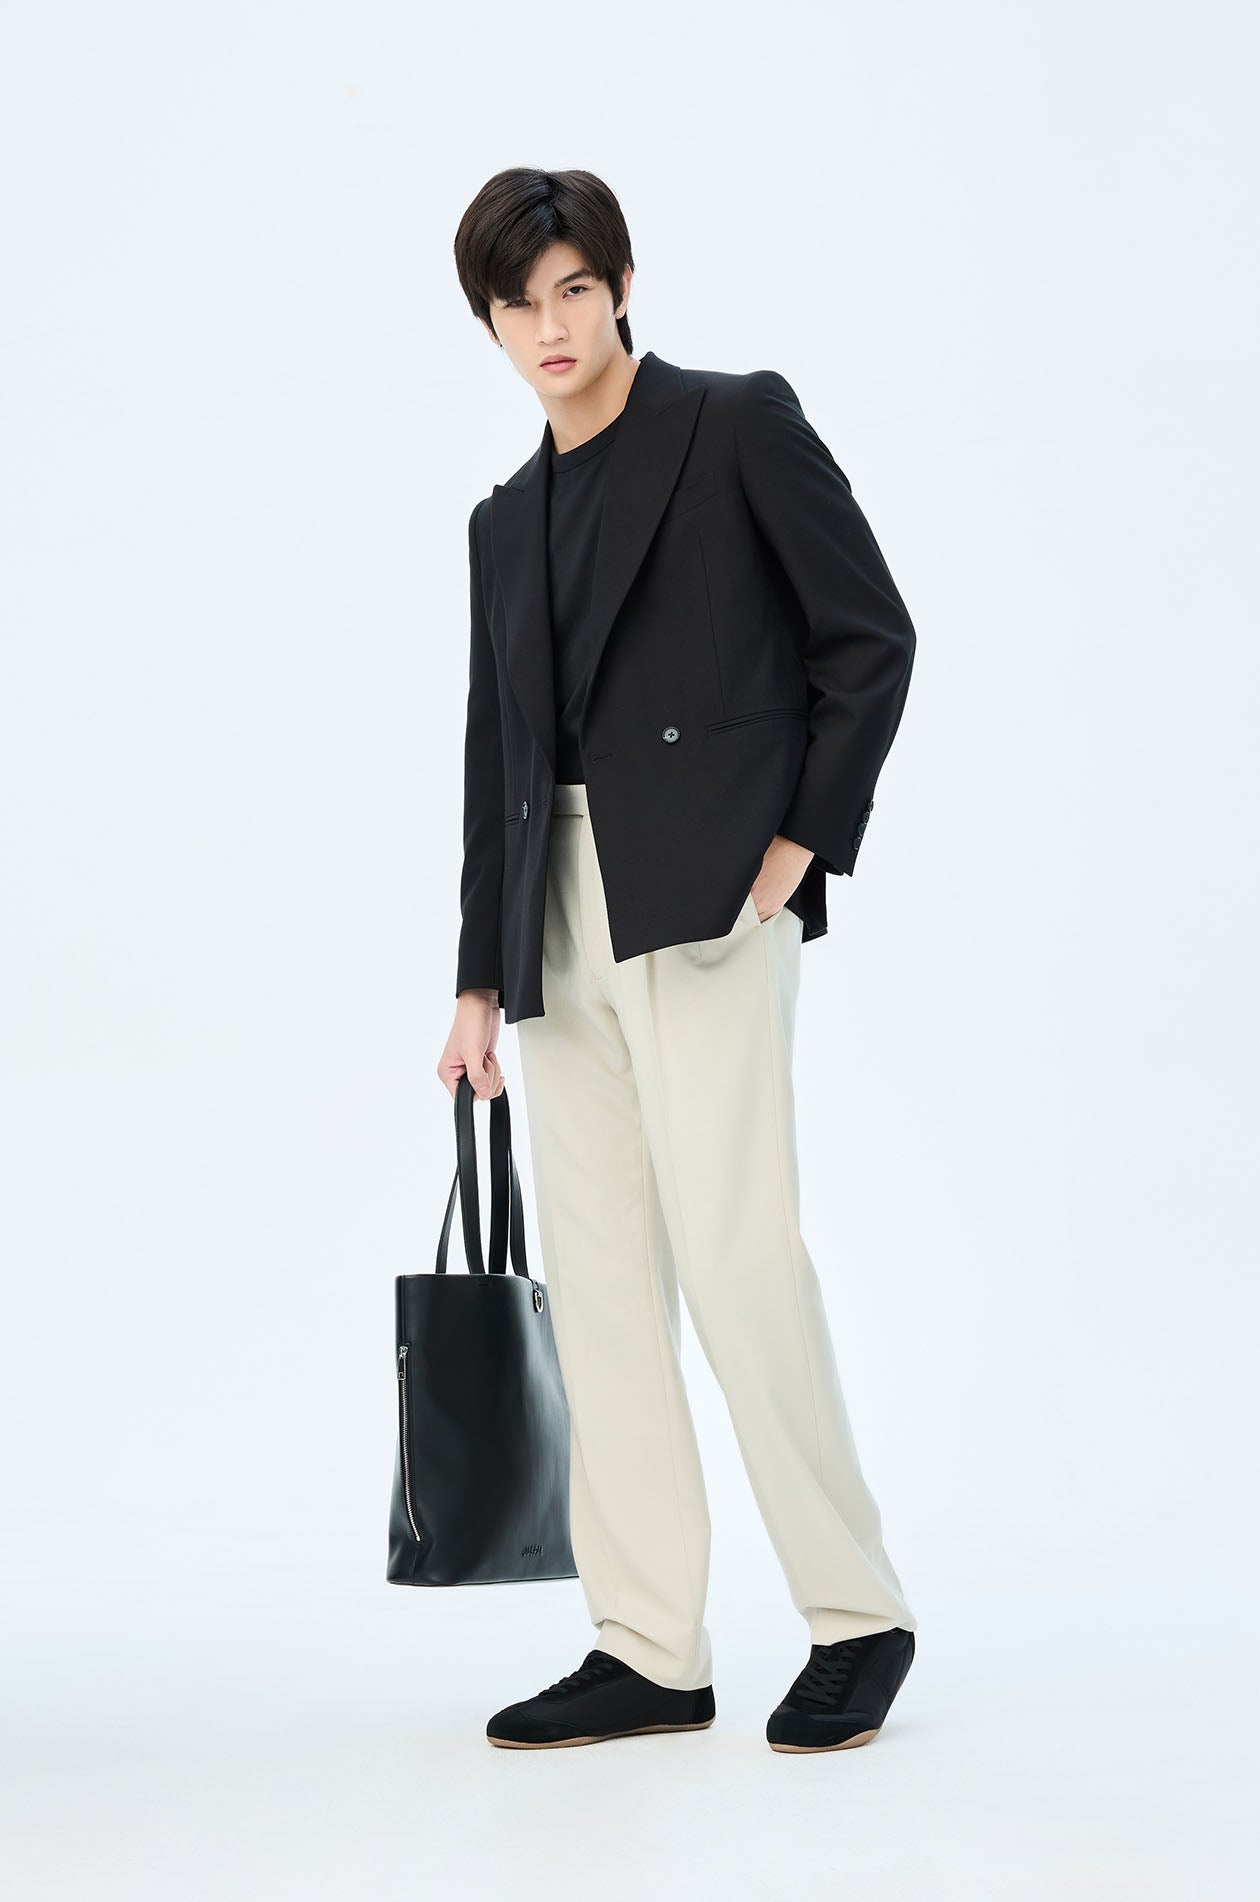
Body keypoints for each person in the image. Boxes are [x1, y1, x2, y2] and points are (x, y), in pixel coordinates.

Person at [436, 167, 919, 1753]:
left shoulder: (732, 424)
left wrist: (797, 846)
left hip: (708, 895)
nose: (551, 325)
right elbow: (497, 757)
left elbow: (869, 639)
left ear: (623, 283)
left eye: (575, 288)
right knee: (600, 1289)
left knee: (738, 1258)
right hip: (557, 917)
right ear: (492, 325)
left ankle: (857, 1612)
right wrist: (478, 979)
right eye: (521, 303)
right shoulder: (502, 523)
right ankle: (648, 1643)